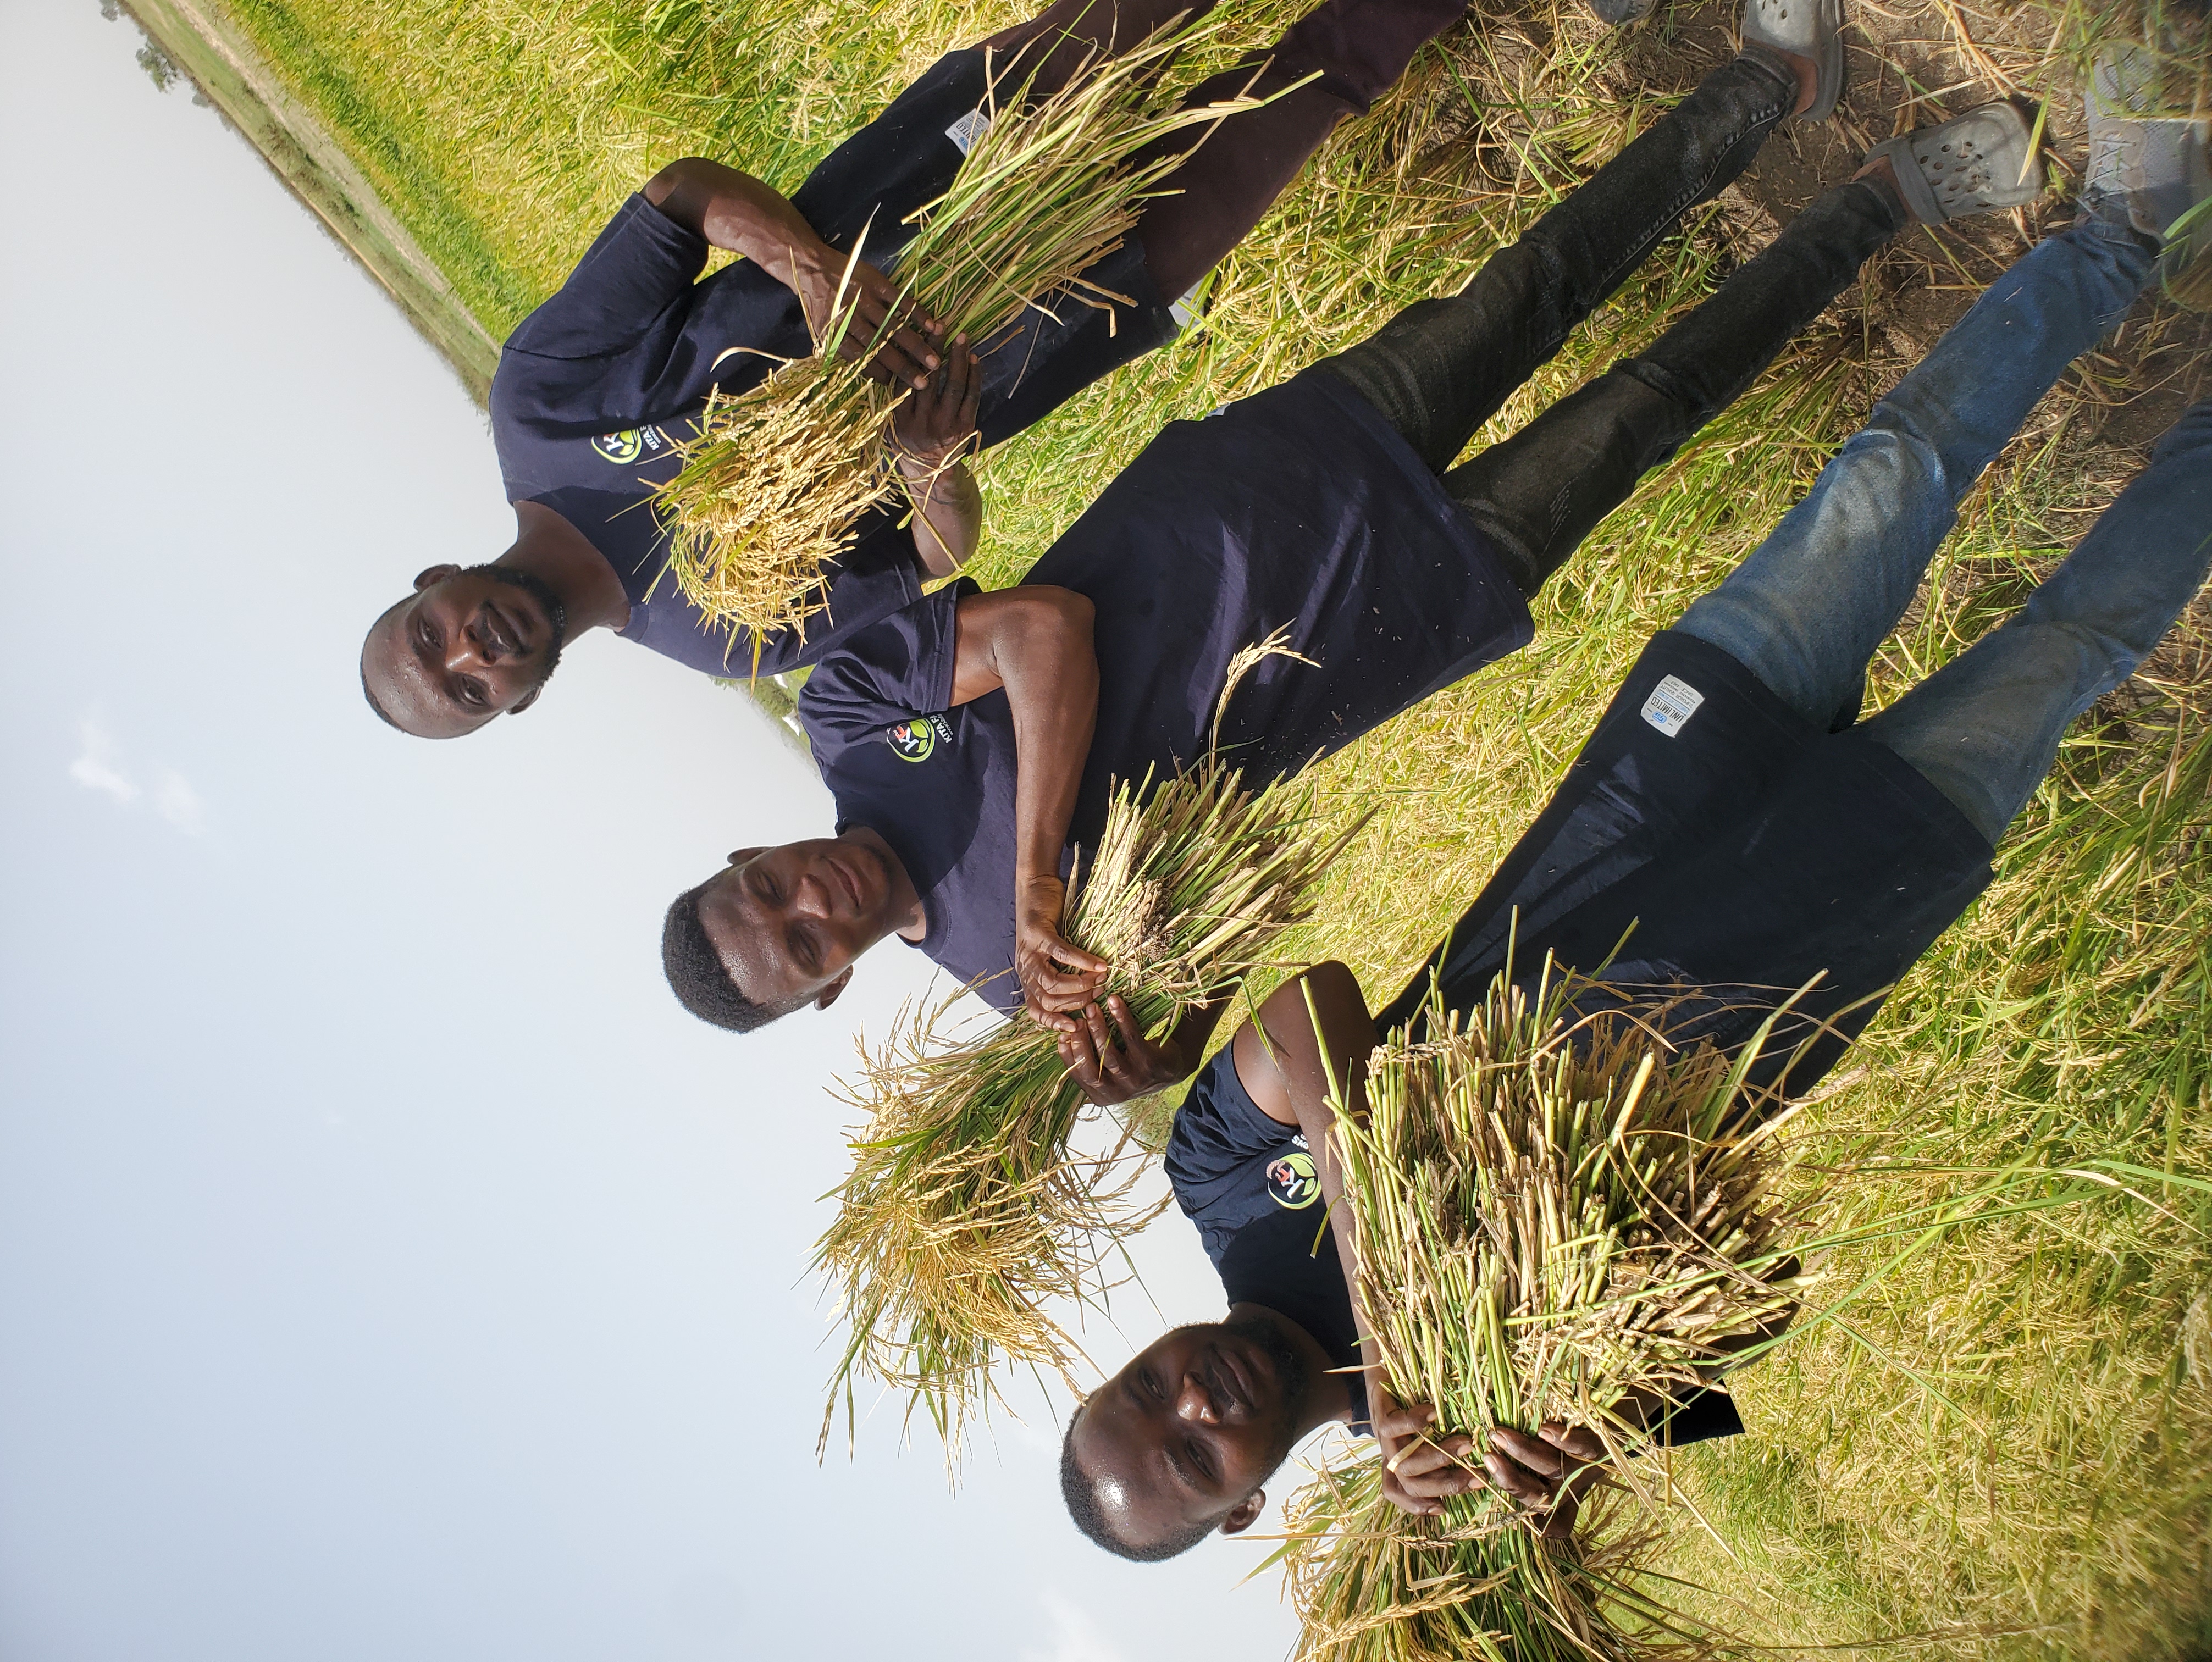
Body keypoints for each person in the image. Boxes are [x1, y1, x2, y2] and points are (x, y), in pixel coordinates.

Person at [1056, 67, 2211, 1560]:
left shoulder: (1217, 1189)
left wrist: (1382, 1251)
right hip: (1811, 934)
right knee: (2075, 645)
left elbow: (1306, 1012)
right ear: (1244, 1509)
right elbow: (1754, 1308)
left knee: (1886, 479)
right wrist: (1585, 1432)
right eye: (1190, 1453)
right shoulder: (1467, 1419)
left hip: (1643, 793)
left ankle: (2125, 224)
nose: (1189, 1398)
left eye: (1142, 1391)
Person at [659, 0, 2047, 1059]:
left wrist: (1036, 885)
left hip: (1270, 484)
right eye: (801, 943)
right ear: (832, 984)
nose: (810, 899)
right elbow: (1228, 939)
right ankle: (1885, 200)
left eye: (770, 888)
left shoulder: (850, 713)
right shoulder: (1022, 982)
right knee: (1653, 401)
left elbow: (1043, 631)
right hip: (1395, 621)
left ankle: (1771, 82)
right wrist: (1156, 1049)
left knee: (1541, 279)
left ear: (748, 854)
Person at [358, 0, 1481, 739]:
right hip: (1062, 316)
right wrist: (933, 462)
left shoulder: (540, 408)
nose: (469, 651)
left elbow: (678, 198)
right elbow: (937, 555)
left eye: (431, 634)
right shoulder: (718, 636)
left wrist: (809, 270)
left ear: (432, 581)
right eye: (468, 690)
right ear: (512, 706)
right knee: (1322, 83)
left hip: (949, 156)